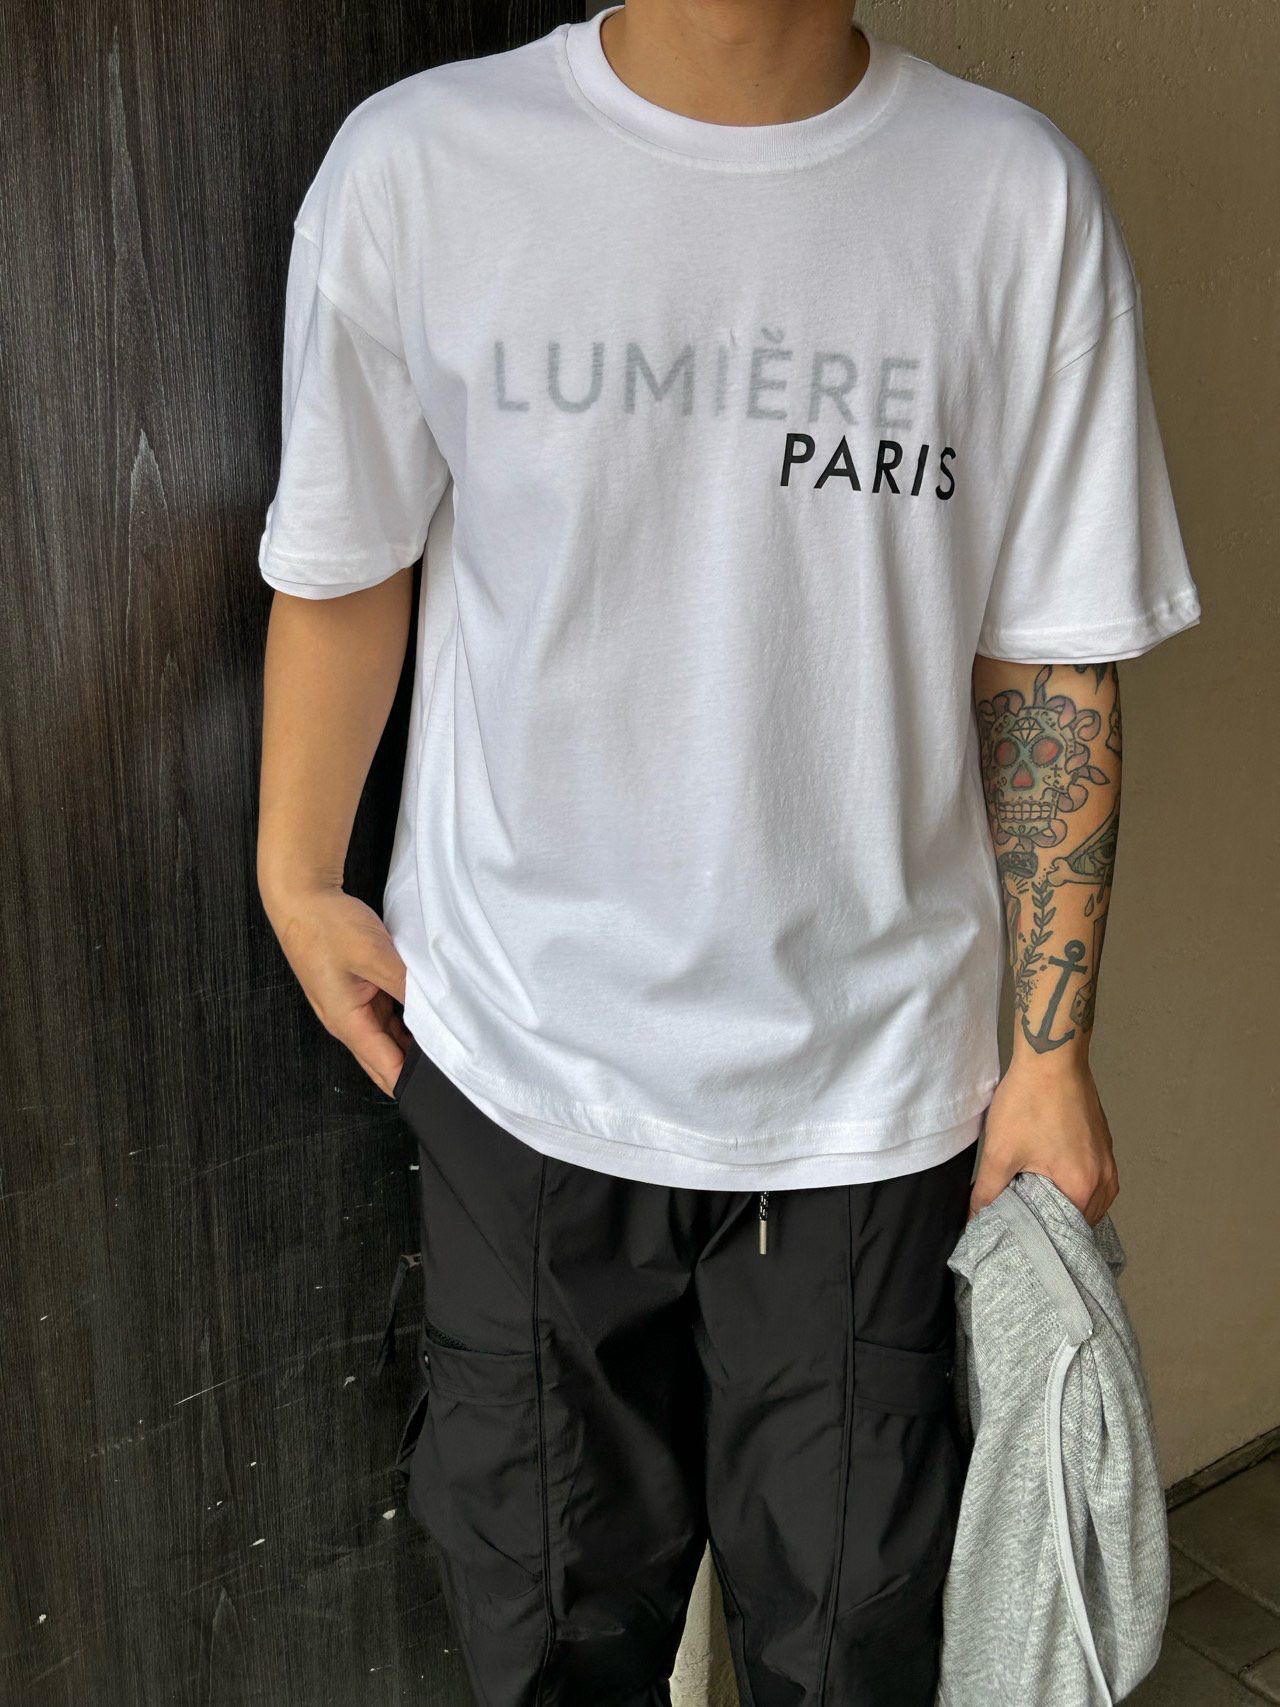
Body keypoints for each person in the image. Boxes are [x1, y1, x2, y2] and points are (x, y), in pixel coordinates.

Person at [256, 2, 1200, 1700]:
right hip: (524, 1070)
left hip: (876, 1100)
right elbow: (345, 559)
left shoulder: (1014, 198)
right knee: (551, 1646)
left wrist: (1052, 1050)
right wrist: (295, 872)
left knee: (853, 1652)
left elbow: (1052, 657)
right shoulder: (422, 167)